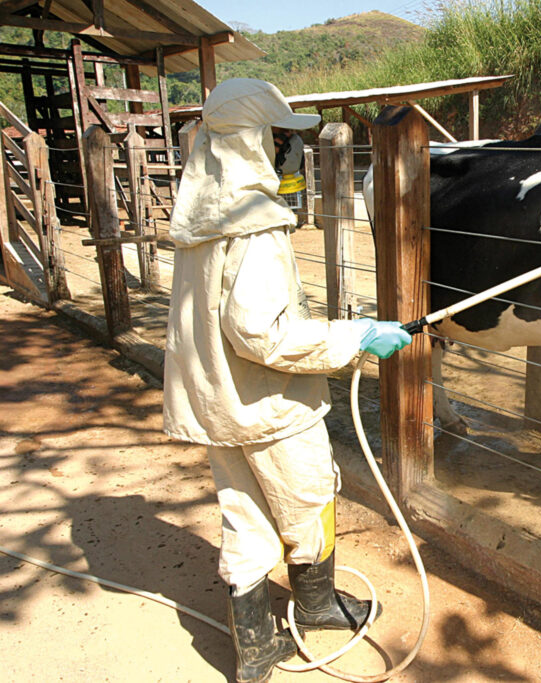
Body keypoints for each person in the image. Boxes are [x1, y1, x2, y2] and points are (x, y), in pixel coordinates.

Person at [162, 78, 411, 683]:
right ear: (250, 142)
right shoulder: (254, 229)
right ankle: (317, 605)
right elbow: (261, 333)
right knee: (309, 500)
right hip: (271, 406)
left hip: (219, 402)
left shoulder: (201, 216)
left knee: (243, 514)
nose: (288, 153)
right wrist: (355, 337)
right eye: (279, 139)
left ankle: (254, 648)